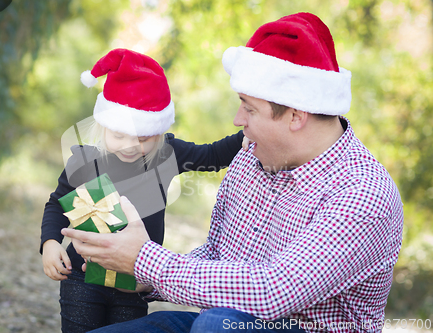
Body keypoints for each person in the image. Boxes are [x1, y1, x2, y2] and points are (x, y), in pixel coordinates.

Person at [62, 13, 404, 333]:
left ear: (296, 116)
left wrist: (147, 260)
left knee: (215, 323)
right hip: (222, 321)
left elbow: (273, 291)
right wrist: (140, 274)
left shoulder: (363, 192)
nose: (238, 120)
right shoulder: (252, 157)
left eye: (249, 107)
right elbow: (218, 257)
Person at [40, 48, 245, 333]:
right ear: (103, 125)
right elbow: (57, 205)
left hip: (132, 280)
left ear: (159, 132)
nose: (130, 146)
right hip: (82, 278)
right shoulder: (86, 161)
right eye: (119, 135)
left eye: (143, 138)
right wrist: (50, 243)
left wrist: (249, 132)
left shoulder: (166, 155)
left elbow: (212, 156)